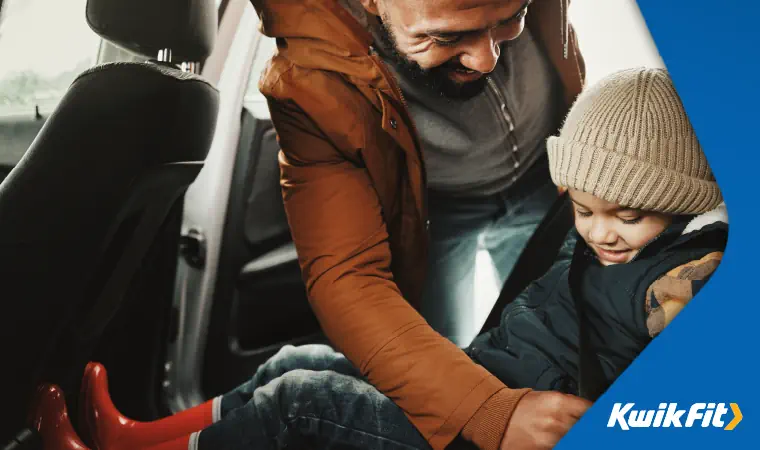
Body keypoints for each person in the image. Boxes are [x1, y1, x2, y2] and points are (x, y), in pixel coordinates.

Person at [31, 68, 727, 450]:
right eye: (583, 209)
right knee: (296, 361)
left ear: (682, 203)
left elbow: (703, 382)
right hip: (480, 386)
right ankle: (136, 438)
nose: (602, 231)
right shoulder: (598, 238)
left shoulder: (680, 278)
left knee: (303, 402)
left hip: (485, 438)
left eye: (628, 217)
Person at [224, 0, 588, 448]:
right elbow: (347, 277)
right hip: (436, 214)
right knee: (446, 374)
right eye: (446, 36)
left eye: (511, 18)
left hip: (548, 176)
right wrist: (486, 410)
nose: (487, 58)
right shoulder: (309, 77)